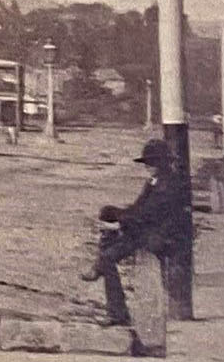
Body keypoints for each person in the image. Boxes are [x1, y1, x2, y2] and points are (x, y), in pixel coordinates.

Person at [81, 138, 192, 326]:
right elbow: (139, 208)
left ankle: (117, 311)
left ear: (162, 163)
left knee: (109, 257)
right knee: (107, 212)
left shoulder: (166, 186)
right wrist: (117, 217)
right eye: (147, 162)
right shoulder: (157, 181)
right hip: (150, 228)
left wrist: (117, 226)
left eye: (152, 162)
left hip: (163, 237)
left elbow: (147, 215)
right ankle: (102, 260)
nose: (147, 166)